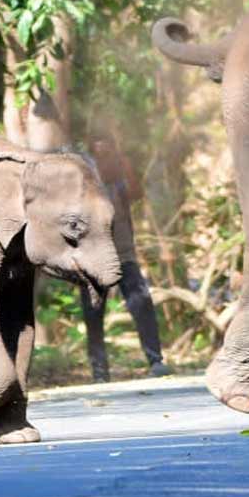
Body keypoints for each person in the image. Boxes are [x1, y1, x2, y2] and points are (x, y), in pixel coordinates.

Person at [83, 134, 172, 381]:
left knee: (141, 304)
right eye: (98, 153)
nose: (103, 157)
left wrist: (122, 160)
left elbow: (136, 192)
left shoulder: (119, 184)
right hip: (92, 259)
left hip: (123, 255)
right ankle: (99, 371)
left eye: (107, 152)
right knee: (93, 314)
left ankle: (156, 360)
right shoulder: (82, 187)